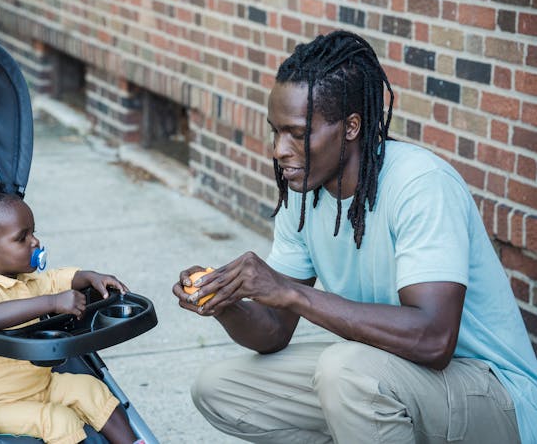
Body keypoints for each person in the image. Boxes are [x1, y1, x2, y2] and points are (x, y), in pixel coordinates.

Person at [173, 30, 537, 444]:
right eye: (276, 131)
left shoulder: (421, 184)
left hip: (494, 397)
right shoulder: (304, 193)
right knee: (220, 389)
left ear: (350, 127)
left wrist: (293, 293)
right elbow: (273, 330)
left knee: (345, 371)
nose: (279, 150)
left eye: (297, 133)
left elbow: (435, 339)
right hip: (389, 376)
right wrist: (225, 302)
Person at [0, 184, 142, 444]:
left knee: (91, 390)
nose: (35, 242)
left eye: (33, 233)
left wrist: (91, 277)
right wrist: (51, 302)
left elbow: (60, 278)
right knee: (60, 420)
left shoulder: (26, 280)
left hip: (42, 386)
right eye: (22, 238)